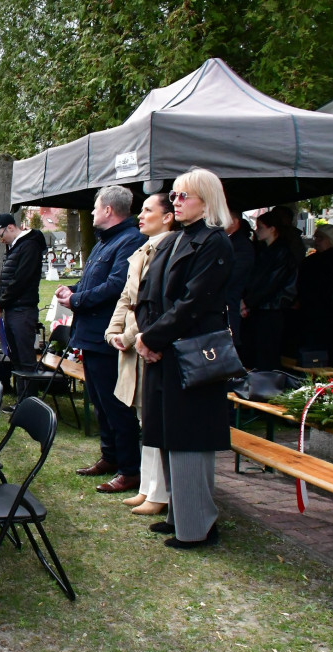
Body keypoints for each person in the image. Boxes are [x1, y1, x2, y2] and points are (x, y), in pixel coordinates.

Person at [135, 167, 233, 549]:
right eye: (173, 195)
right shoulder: (177, 238)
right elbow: (151, 293)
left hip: (191, 352)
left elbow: (194, 301)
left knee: (190, 437)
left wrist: (152, 337)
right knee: (169, 434)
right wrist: (147, 336)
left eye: (183, 196)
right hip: (166, 351)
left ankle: (197, 527)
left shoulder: (215, 242)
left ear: (206, 201)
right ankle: (182, 515)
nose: (175, 201)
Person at [56, 185, 146, 493]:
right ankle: (110, 456)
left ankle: (130, 469)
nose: (92, 212)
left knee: (115, 404)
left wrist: (77, 301)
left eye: (96, 207)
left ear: (108, 210)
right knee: (99, 401)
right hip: (91, 334)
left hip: (109, 336)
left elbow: (116, 286)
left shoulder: (130, 240)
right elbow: (91, 279)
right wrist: (73, 291)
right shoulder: (105, 241)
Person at [105, 193, 175, 516]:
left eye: (149, 210)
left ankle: (159, 492)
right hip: (132, 345)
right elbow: (125, 298)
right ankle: (147, 487)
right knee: (140, 417)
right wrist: (112, 331)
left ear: (168, 217)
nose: (140, 215)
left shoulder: (170, 249)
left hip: (149, 344)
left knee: (154, 421)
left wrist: (130, 335)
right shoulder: (141, 251)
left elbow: (153, 303)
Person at [0, 213, 47, 402]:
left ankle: (29, 402)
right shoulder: (14, 247)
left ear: (10, 227)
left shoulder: (30, 246)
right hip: (12, 309)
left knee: (26, 359)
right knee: (16, 358)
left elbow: (20, 281)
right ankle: (21, 400)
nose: (0, 240)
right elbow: (3, 279)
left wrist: (0, 303)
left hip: (23, 310)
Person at [240, 210, 298, 371]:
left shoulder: (282, 252)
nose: (257, 231)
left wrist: (248, 301)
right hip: (259, 307)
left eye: (260, 227)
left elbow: (270, 284)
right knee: (255, 350)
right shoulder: (262, 250)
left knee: (267, 352)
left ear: (272, 229)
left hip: (272, 308)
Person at [296, 224, 333, 365]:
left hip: (331, 312)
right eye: (316, 237)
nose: (316, 241)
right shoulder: (311, 260)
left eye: (320, 238)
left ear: (332, 239)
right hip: (310, 310)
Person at [224, 211, 255, 345]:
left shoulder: (241, 245)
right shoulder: (228, 241)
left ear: (235, 222)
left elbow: (232, 276)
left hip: (231, 300)